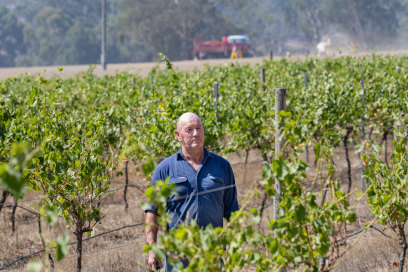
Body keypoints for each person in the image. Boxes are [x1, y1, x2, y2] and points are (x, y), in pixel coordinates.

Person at [144, 112, 239, 271]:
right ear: (178, 135)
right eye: (189, 129)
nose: (195, 133)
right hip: (178, 256)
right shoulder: (165, 169)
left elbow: (232, 211)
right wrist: (152, 247)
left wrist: (235, 244)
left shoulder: (222, 166)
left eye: (198, 128)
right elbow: (153, 211)